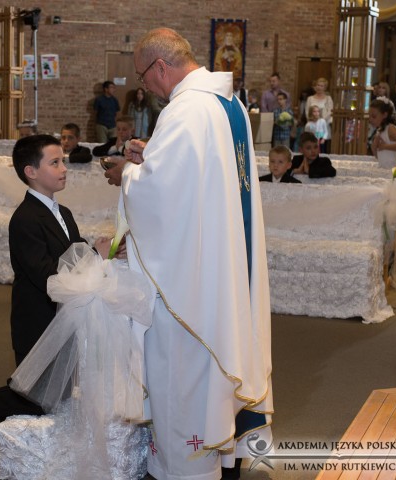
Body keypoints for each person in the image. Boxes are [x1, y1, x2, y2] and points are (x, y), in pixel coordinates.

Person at [110, 27, 272, 480]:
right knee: (220, 368)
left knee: (186, 371)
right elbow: (201, 178)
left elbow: (161, 196)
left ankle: (189, 468)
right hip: (226, 263)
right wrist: (152, 154)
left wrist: (127, 173)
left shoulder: (185, 109)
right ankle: (225, 454)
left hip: (195, 279)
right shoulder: (227, 103)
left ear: (160, 66)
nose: (146, 87)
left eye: (143, 77)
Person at [0, 135, 112, 460]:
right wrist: (94, 255)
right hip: (37, 321)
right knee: (32, 396)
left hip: (63, 318)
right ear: (31, 172)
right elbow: (47, 276)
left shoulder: (63, 212)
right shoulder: (24, 219)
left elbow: (73, 260)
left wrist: (101, 254)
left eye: (63, 161)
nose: (64, 168)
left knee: (52, 393)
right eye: (55, 162)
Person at [370, 97, 396, 168]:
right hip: (384, 168)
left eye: (374, 116)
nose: (371, 119)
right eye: (370, 116)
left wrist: (385, 146)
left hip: (394, 168)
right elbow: (379, 156)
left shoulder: (390, 128)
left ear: (385, 115)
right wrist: (374, 147)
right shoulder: (379, 131)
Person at [305, 77, 333, 152]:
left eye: (321, 86)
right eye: (318, 85)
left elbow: (330, 111)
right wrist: (312, 120)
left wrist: (320, 120)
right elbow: (307, 112)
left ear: (325, 88)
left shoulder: (328, 98)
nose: (319, 87)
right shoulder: (310, 98)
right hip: (312, 126)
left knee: (322, 148)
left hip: (323, 127)